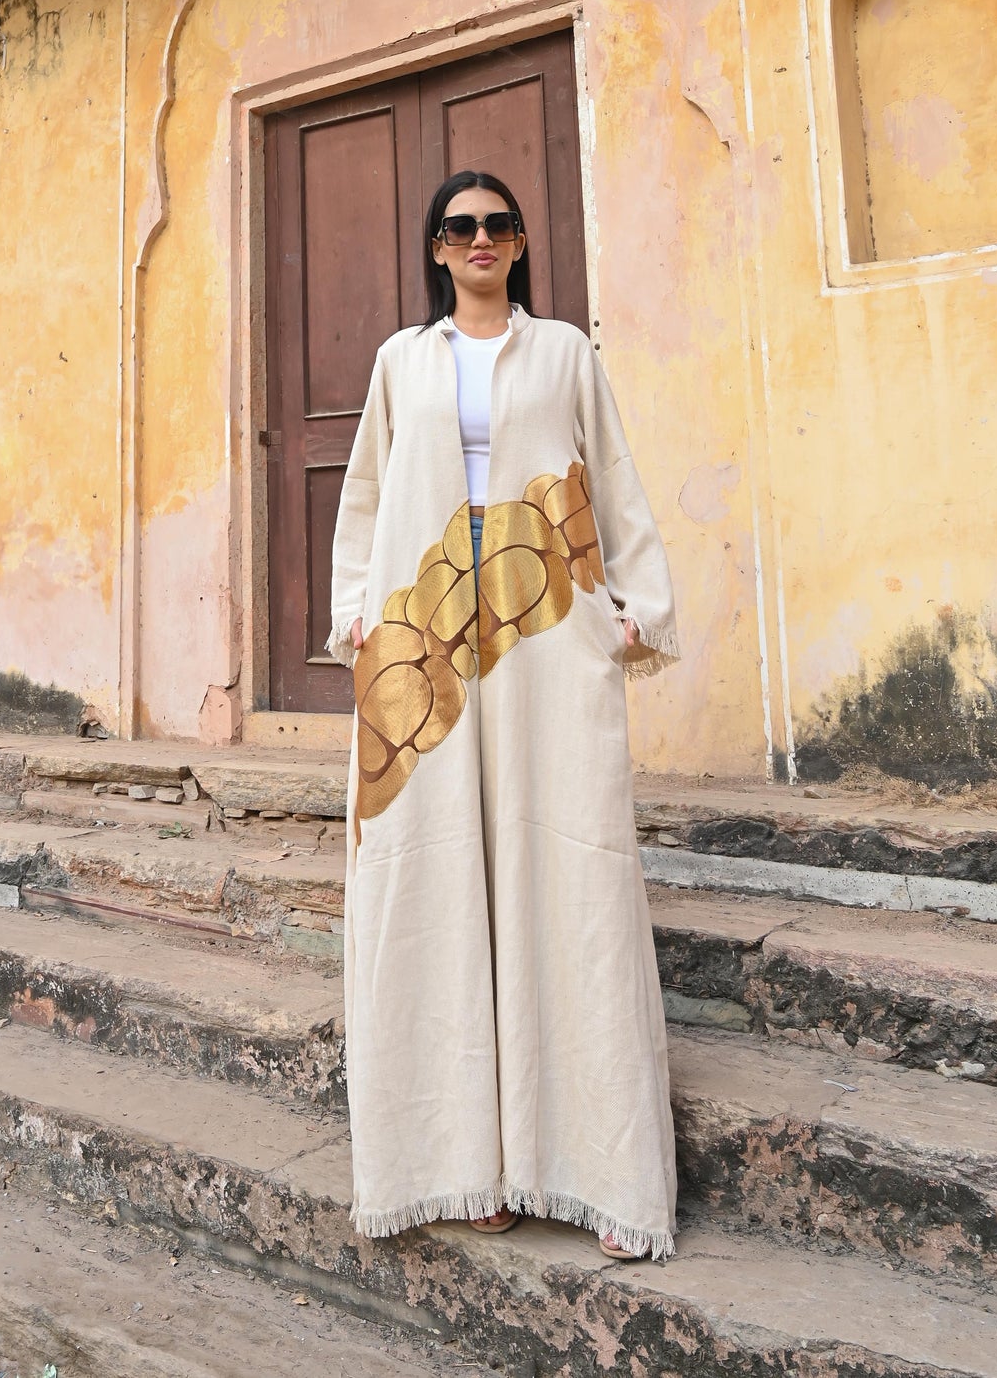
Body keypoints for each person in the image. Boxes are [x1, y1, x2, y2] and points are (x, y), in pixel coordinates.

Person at [328, 168, 680, 1257]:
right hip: (426, 638)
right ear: (436, 249)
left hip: (541, 636)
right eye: (458, 227)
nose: (478, 240)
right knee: (432, 882)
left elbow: (609, 478)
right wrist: (353, 612)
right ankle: (458, 1164)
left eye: (495, 224)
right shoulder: (402, 361)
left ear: (519, 241)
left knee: (561, 877)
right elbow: (368, 495)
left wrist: (637, 608)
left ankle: (590, 1169)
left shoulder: (566, 351)